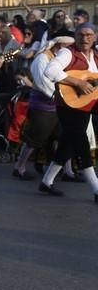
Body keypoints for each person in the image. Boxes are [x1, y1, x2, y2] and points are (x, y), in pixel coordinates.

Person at [40, 21, 98, 201]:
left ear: (95, 37)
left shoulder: (96, 56)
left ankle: (46, 181)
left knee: (68, 144)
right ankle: (96, 188)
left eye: (89, 35)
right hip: (68, 105)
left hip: (86, 104)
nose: (85, 38)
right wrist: (79, 82)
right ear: (76, 36)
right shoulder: (68, 52)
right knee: (81, 143)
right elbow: (50, 71)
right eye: (81, 35)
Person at [13, 34, 74, 179]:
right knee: (34, 138)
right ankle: (19, 167)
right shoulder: (42, 59)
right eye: (67, 47)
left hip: (61, 104)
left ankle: (68, 171)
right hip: (44, 106)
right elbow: (42, 83)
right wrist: (60, 96)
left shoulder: (57, 59)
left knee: (65, 137)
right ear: (58, 45)